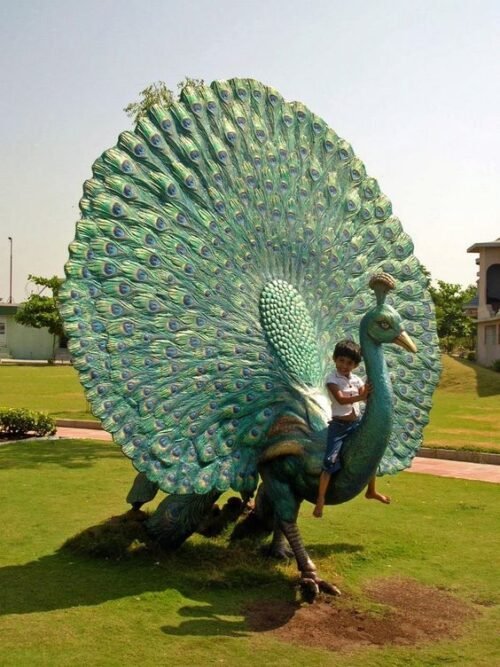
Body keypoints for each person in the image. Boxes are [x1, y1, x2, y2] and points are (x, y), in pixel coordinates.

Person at [313, 339, 390, 518]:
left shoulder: (356, 380)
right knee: (330, 461)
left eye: (349, 363)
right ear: (334, 359)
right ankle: (321, 498)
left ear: (355, 365)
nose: (344, 366)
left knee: (371, 456)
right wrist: (361, 396)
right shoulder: (332, 379)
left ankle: (371, 490)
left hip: (356, 425)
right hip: (338, 427)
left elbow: (367, 396)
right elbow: (340, 399)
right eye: (341, 361)